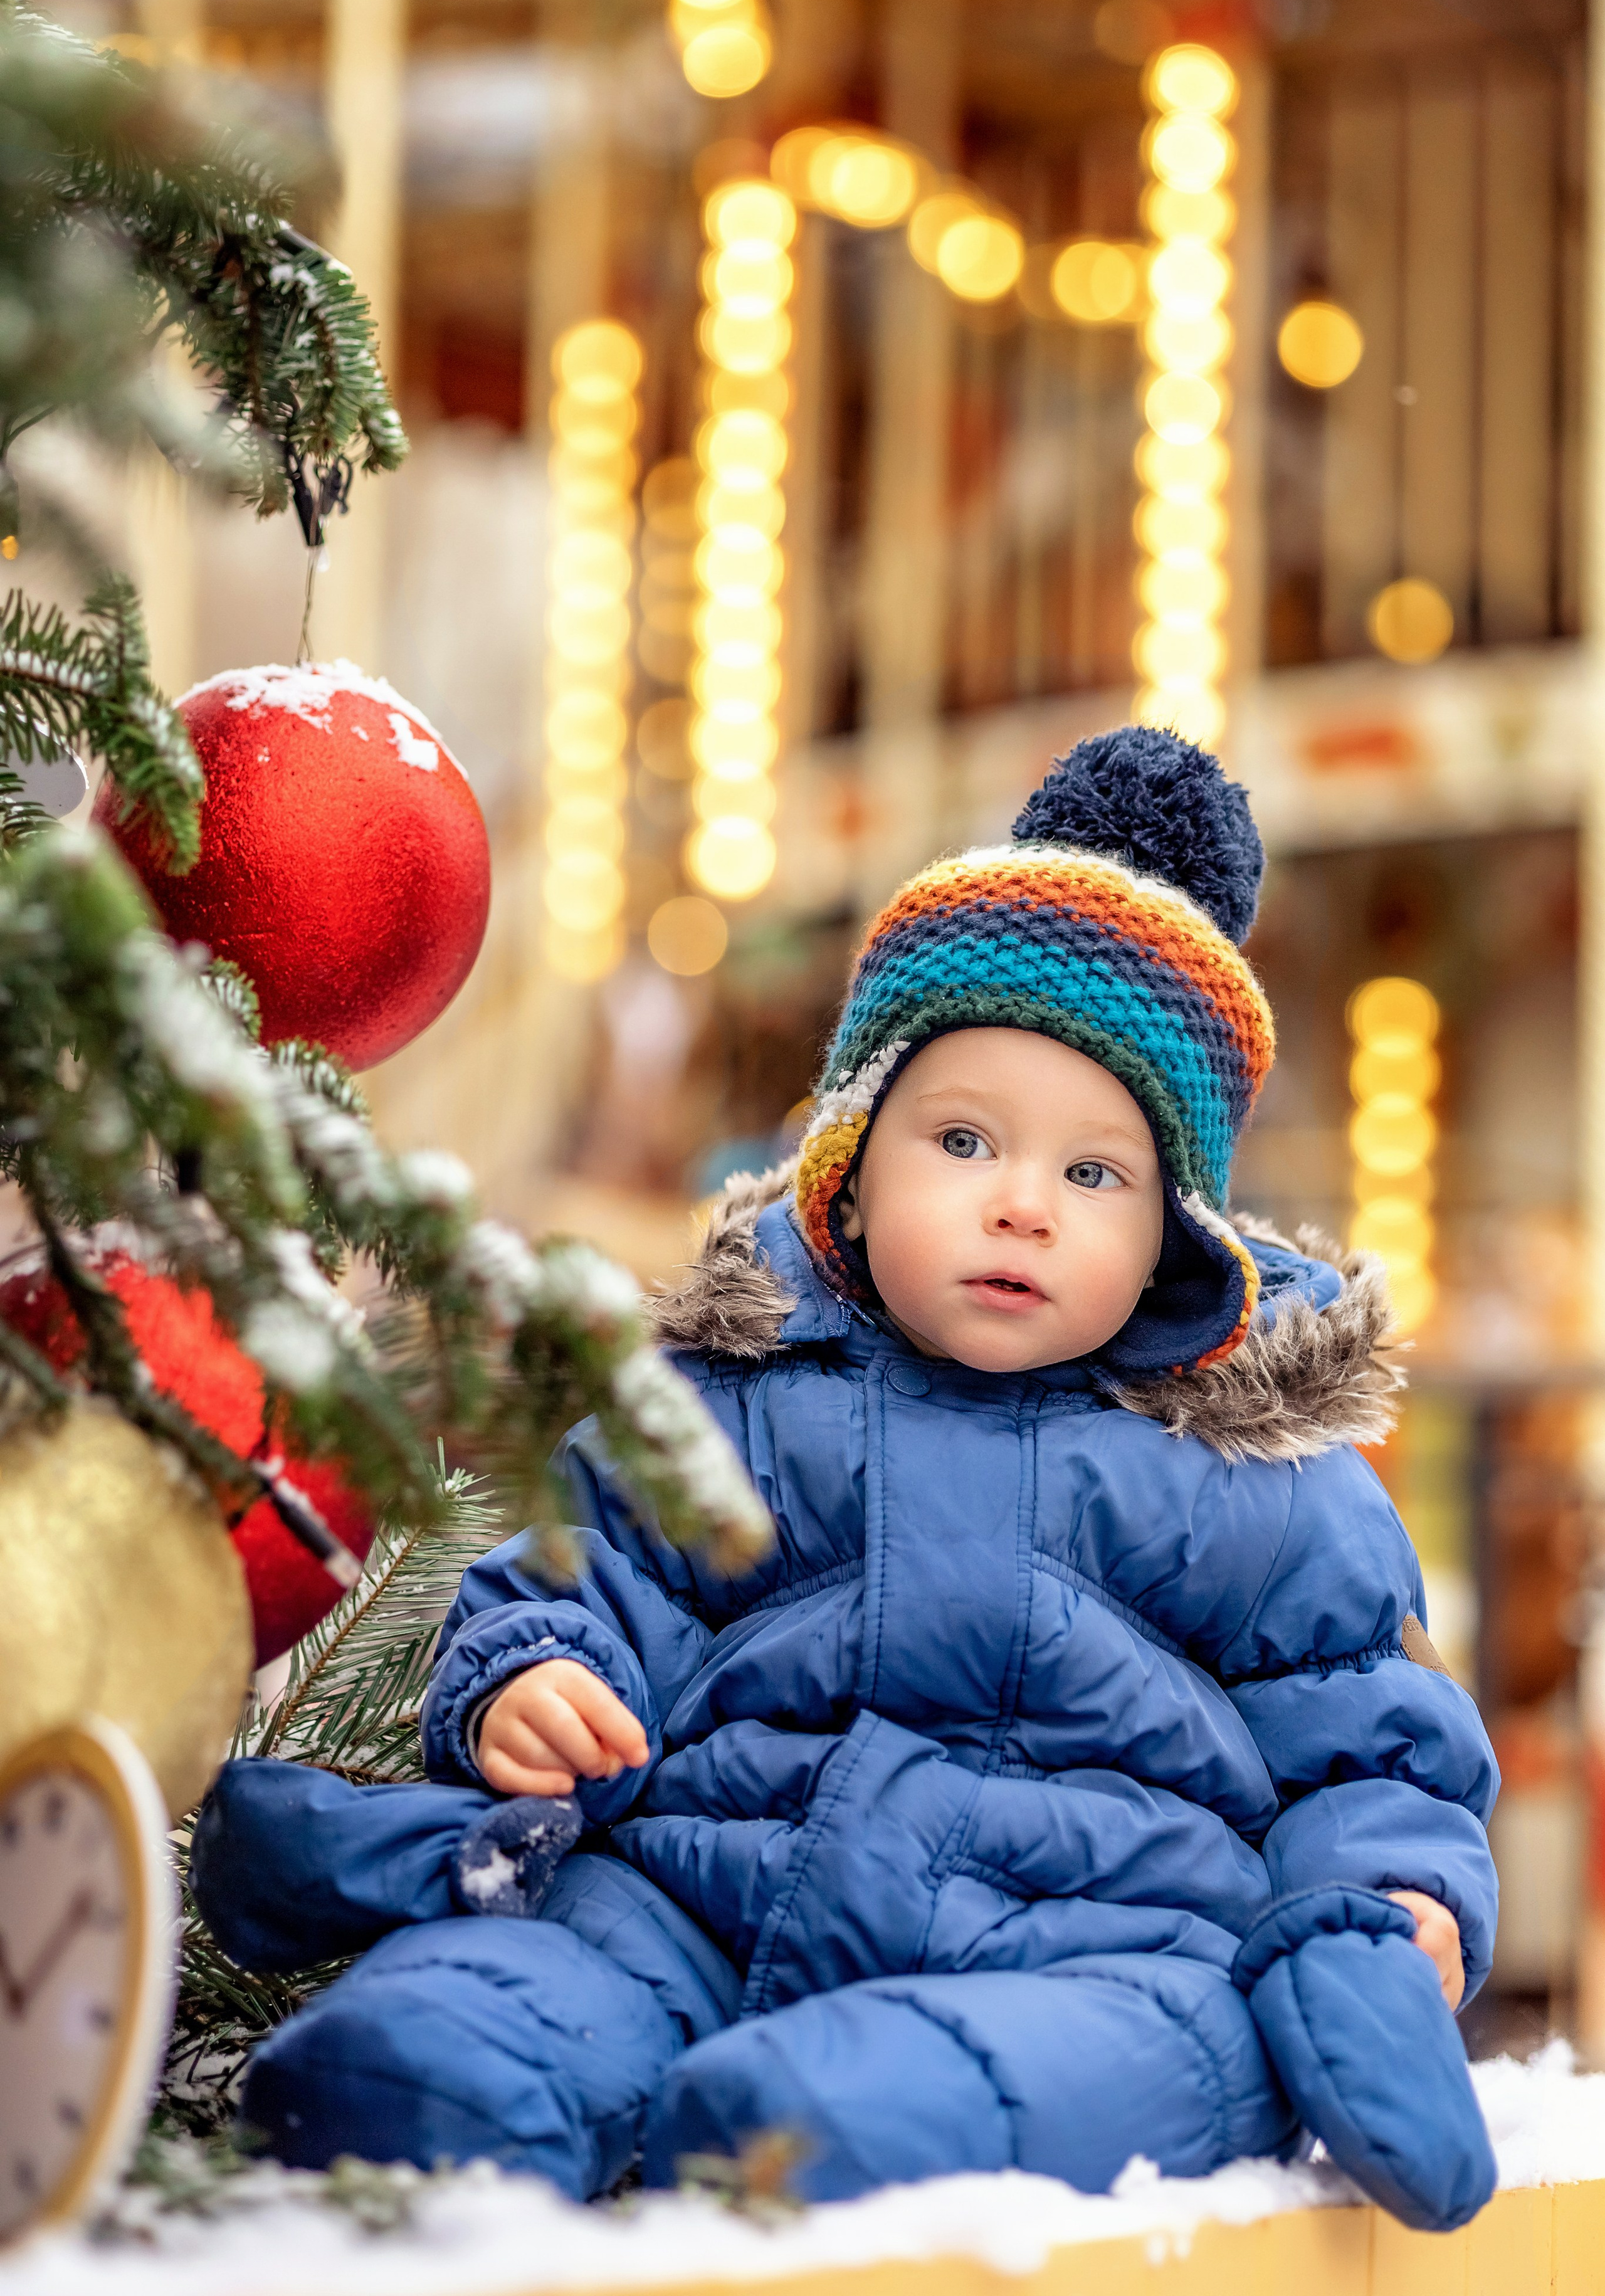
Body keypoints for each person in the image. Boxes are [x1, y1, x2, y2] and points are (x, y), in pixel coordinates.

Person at [193, 727, 1499, 2233]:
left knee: (1114, 2050)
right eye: (961, 1140)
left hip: (1088, 1928)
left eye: (1095, 1175)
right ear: (850, 1166)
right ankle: (441, 2084)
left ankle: (865, 2113)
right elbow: (590, 1565)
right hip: (704, 1888)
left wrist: (1397, 1901)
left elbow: (1366, 1734)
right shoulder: (738, 1384)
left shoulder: (1246, 1459)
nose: (1020, 1204)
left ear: (1171, 1237)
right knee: (486, 2011)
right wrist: (531, 1679)